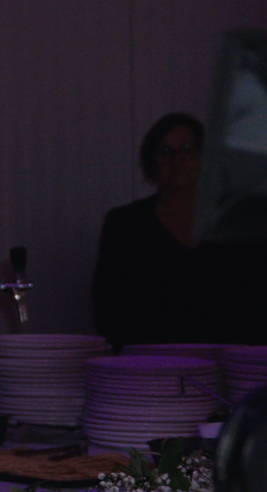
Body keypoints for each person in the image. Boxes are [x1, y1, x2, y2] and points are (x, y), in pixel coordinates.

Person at [92, 112, 250, 345]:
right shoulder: (126, 224)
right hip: (150, 359)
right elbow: (109, 306)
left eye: (186, 149)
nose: (177, 160)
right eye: (165, 152)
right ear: (152, 161)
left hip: (228, 358)